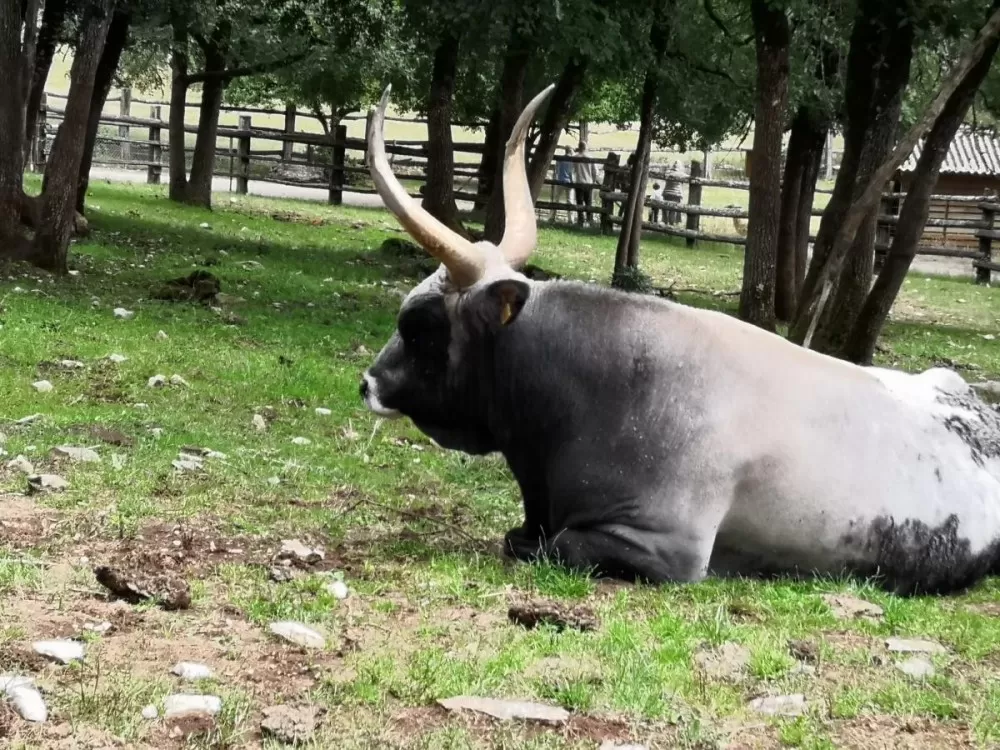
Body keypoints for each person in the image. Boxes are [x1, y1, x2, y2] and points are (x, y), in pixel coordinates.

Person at [573, 141, 597, 226]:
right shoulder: (590, 157)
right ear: (585, 147)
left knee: (579, 202)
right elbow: (595, 171)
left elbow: (573, 170)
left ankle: (580, 220)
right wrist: (593, 181)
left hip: (579, 181)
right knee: (588, 202)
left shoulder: (575, 157)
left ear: (579, 147)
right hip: (588, 182)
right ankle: (590, 220)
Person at [549, 146, 574, 223]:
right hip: (568, 182)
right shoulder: (572, 160)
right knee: (569, 201)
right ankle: (570, 219)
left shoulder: (559, 159)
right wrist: (573, 181)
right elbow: (571, 172)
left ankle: (552, 217)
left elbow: (556, 170)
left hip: (559, 181)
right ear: (570, 151)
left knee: (556, 199)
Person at [662, 160, 684, 225]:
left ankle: (665, 223)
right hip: (676, 194)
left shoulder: (668, 173)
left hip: (666, 193)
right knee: (673, 210)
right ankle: (671, 225)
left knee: (666, 208)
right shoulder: (681, 174)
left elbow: (665, 176)